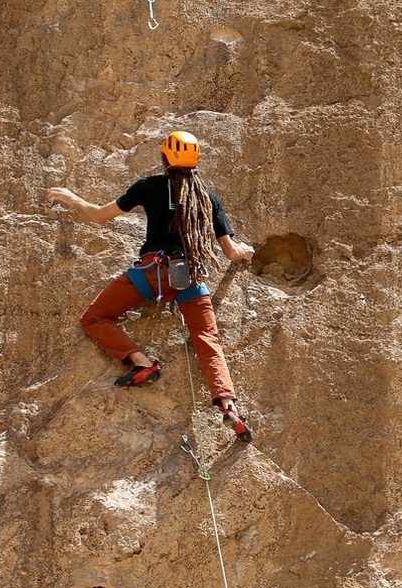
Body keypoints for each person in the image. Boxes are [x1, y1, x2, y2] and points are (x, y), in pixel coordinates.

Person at [46, 130, 255, 442]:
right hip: (191, 277)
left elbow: (99, 216)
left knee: (94, 318)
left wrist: (71, 198)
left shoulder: (149, 187)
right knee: (207, 339)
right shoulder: (208, 199)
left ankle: (141, 362)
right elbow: (230, 251)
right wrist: (246, 252)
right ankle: (228, 406)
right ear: (196, 159)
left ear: (165, 157)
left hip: (153, 274)